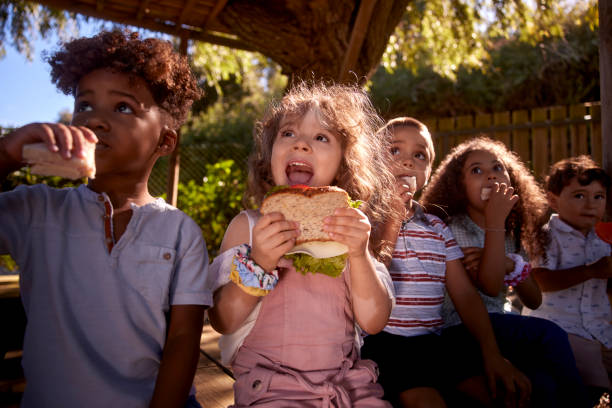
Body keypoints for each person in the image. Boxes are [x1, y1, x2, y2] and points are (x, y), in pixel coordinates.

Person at [0, 30, 210, 408]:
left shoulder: (181, 233)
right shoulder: (34, 210)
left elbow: (182, 340)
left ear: (165, 141)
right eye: (84, 105)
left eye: (123, 107)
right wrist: (6, 155)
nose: (95, 120)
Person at [206, 82, 401, 407]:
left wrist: (358, 254)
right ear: (269, 155)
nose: (302, 145)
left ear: (344, 165)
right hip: (271, 388)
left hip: (347, 386)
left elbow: (374, 320)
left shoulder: (352, 231)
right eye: (288, 134)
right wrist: (260, 263)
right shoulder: (250, 227)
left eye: (321, 137)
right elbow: (222, 320)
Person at [361, 118, 531, 408]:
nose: (408, 162)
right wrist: (391, 219)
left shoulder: (437, 227)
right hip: (385, 344)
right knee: (427, 401)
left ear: (429, 170)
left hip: (433, 342)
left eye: (420, 155)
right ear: (369, 162)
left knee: (500, 395)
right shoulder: (365, 218)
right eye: (394, 151)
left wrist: (491, 354)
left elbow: (465, 295)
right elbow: (373, 271)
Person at [421, 136, 588, 407]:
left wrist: (512, 265)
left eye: (498, 168)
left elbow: (534, 299)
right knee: (550, 335)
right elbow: (489, 286)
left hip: (501, 326)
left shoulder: (510, 233)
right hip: (459, 332)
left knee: (542, 384)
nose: (490, 176)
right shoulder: (454, 228)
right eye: (477, 170)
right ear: (459, 187)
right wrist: (495, 222)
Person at [522, 155, 612, 405]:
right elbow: (539, 281)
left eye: (599, 196)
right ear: (553, 199)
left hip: (600, 329)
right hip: (560, 329)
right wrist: (591, 271)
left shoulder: (603, 241)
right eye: (579, 195)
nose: (591, 204)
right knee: (592, 386)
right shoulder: (546, 237)